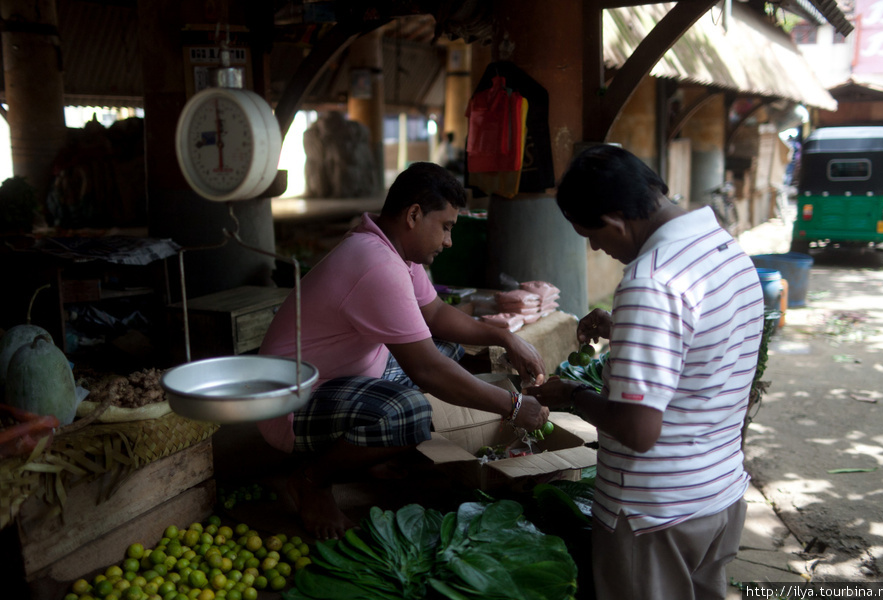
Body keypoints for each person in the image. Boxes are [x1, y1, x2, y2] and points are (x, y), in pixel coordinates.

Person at [258, 161, 549, 540]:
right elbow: (427, 370)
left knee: (445, 348)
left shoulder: (393, 250)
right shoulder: (375, 263)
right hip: (290, 405)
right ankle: (310, 480)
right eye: (445, 227)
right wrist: (511, 406)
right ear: (413, 215)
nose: (448, 241)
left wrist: (505, 338)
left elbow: (436, 314)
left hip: (342, 376)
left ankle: (367, 454)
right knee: (409, 412)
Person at [526, 145, 764, 600]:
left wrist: (573, 394)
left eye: (590, 235)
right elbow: (708, 345)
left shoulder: (650, 280)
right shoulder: (723, 247)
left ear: (616, 221)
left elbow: (638, 429)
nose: (596, 247)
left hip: (654, 514)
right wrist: (626, 332)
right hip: (719, 495)